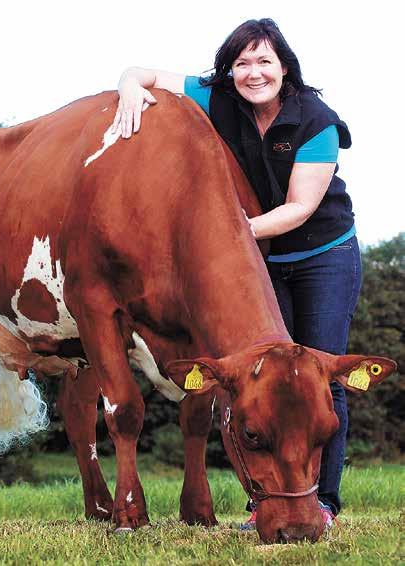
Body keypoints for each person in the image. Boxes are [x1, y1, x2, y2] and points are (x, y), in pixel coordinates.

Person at [112, 18, 361, 530]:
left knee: (320, 375)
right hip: (261, 261)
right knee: (266, 379)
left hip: (322, 256)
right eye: (242, 63)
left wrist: (229, 234)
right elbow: (145, 73)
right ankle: (265, 499)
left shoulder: (318, 123)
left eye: (264, 61)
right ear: (230, 71)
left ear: (284, 67)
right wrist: (128, 87)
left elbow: (299, 208)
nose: (253, 73)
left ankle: (323, 501)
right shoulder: (221, 97)